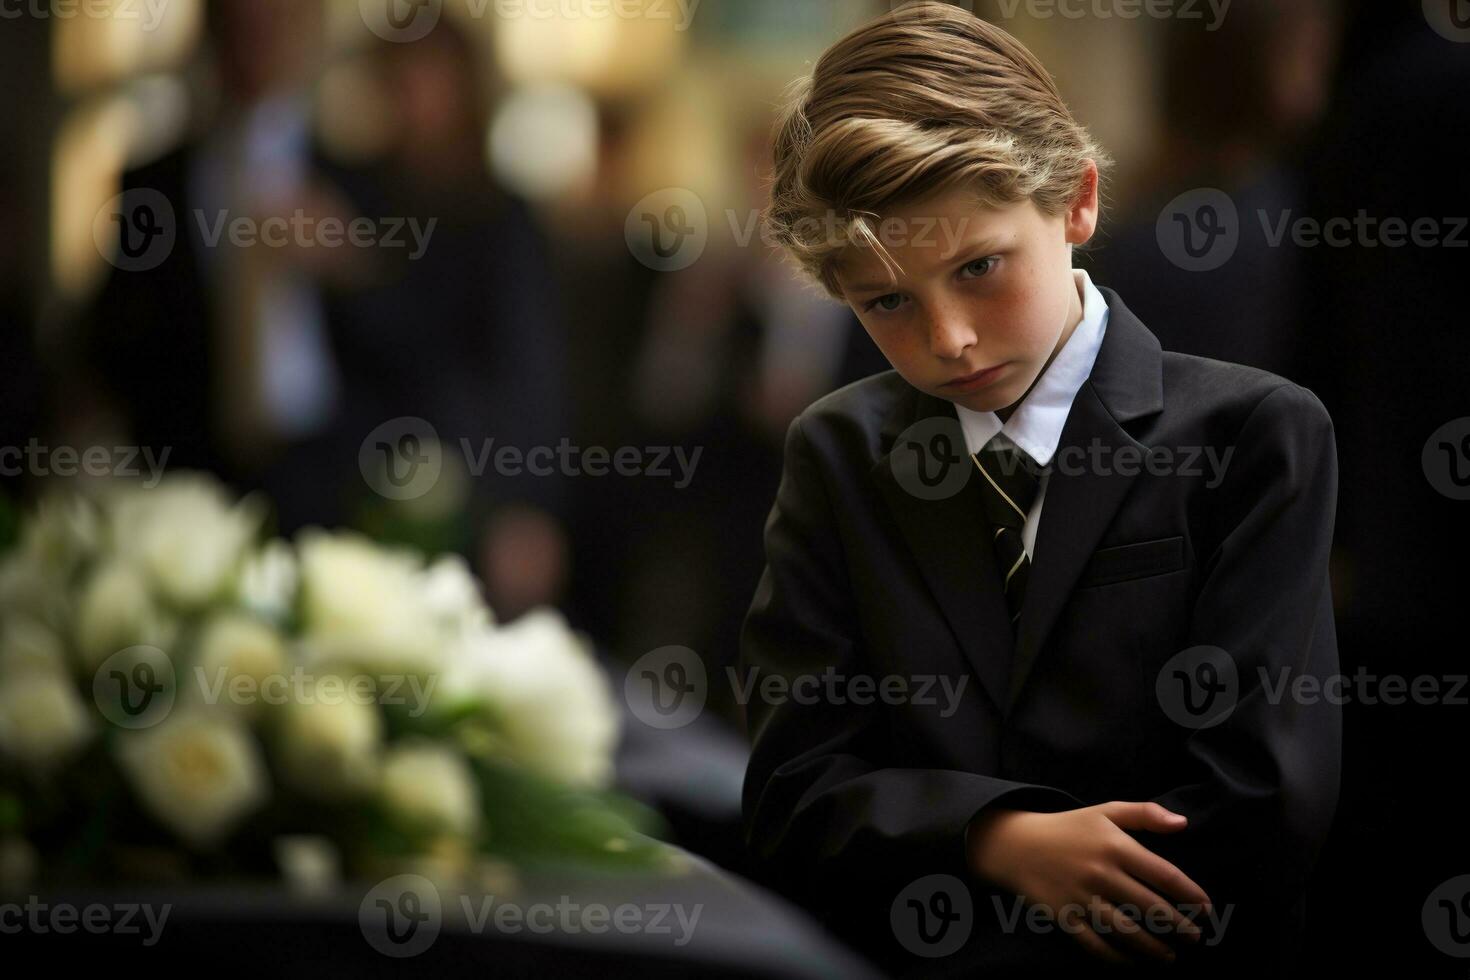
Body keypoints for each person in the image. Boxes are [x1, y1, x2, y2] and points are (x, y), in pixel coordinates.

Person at [738, 4, 1340, 975]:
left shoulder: (1254, 434)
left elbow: (1265, 797)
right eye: (887, 299)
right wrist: (995, 837)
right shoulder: (839, 452)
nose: (949, 338)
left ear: (1077, 202)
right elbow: (791, 792)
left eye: (980, 268)